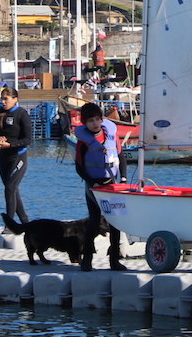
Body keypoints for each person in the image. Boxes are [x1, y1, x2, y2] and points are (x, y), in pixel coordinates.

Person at [74, 101, 127, 271]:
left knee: (115, 222)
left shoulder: (111, 135)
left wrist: (123, 178)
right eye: (91, 121)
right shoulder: (83, 143)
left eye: (97, 119)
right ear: (84, 123)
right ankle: (87, 259)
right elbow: (79, 168)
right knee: (94, 221)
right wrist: (92, 183)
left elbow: (121, 157)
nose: (95, 123)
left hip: (111, 184)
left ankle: (114, 260)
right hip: (93, 186)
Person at [0, 86, 32, 226]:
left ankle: (10, 224)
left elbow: (28, 140)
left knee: (10, 188)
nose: (3, 102)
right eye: (1, 99)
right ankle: (26, 224)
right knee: (12, 190)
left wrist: (11, 145)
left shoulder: (21, 114)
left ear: (15, 99)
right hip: (3, 158)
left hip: (18, 157)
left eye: (6, 99)